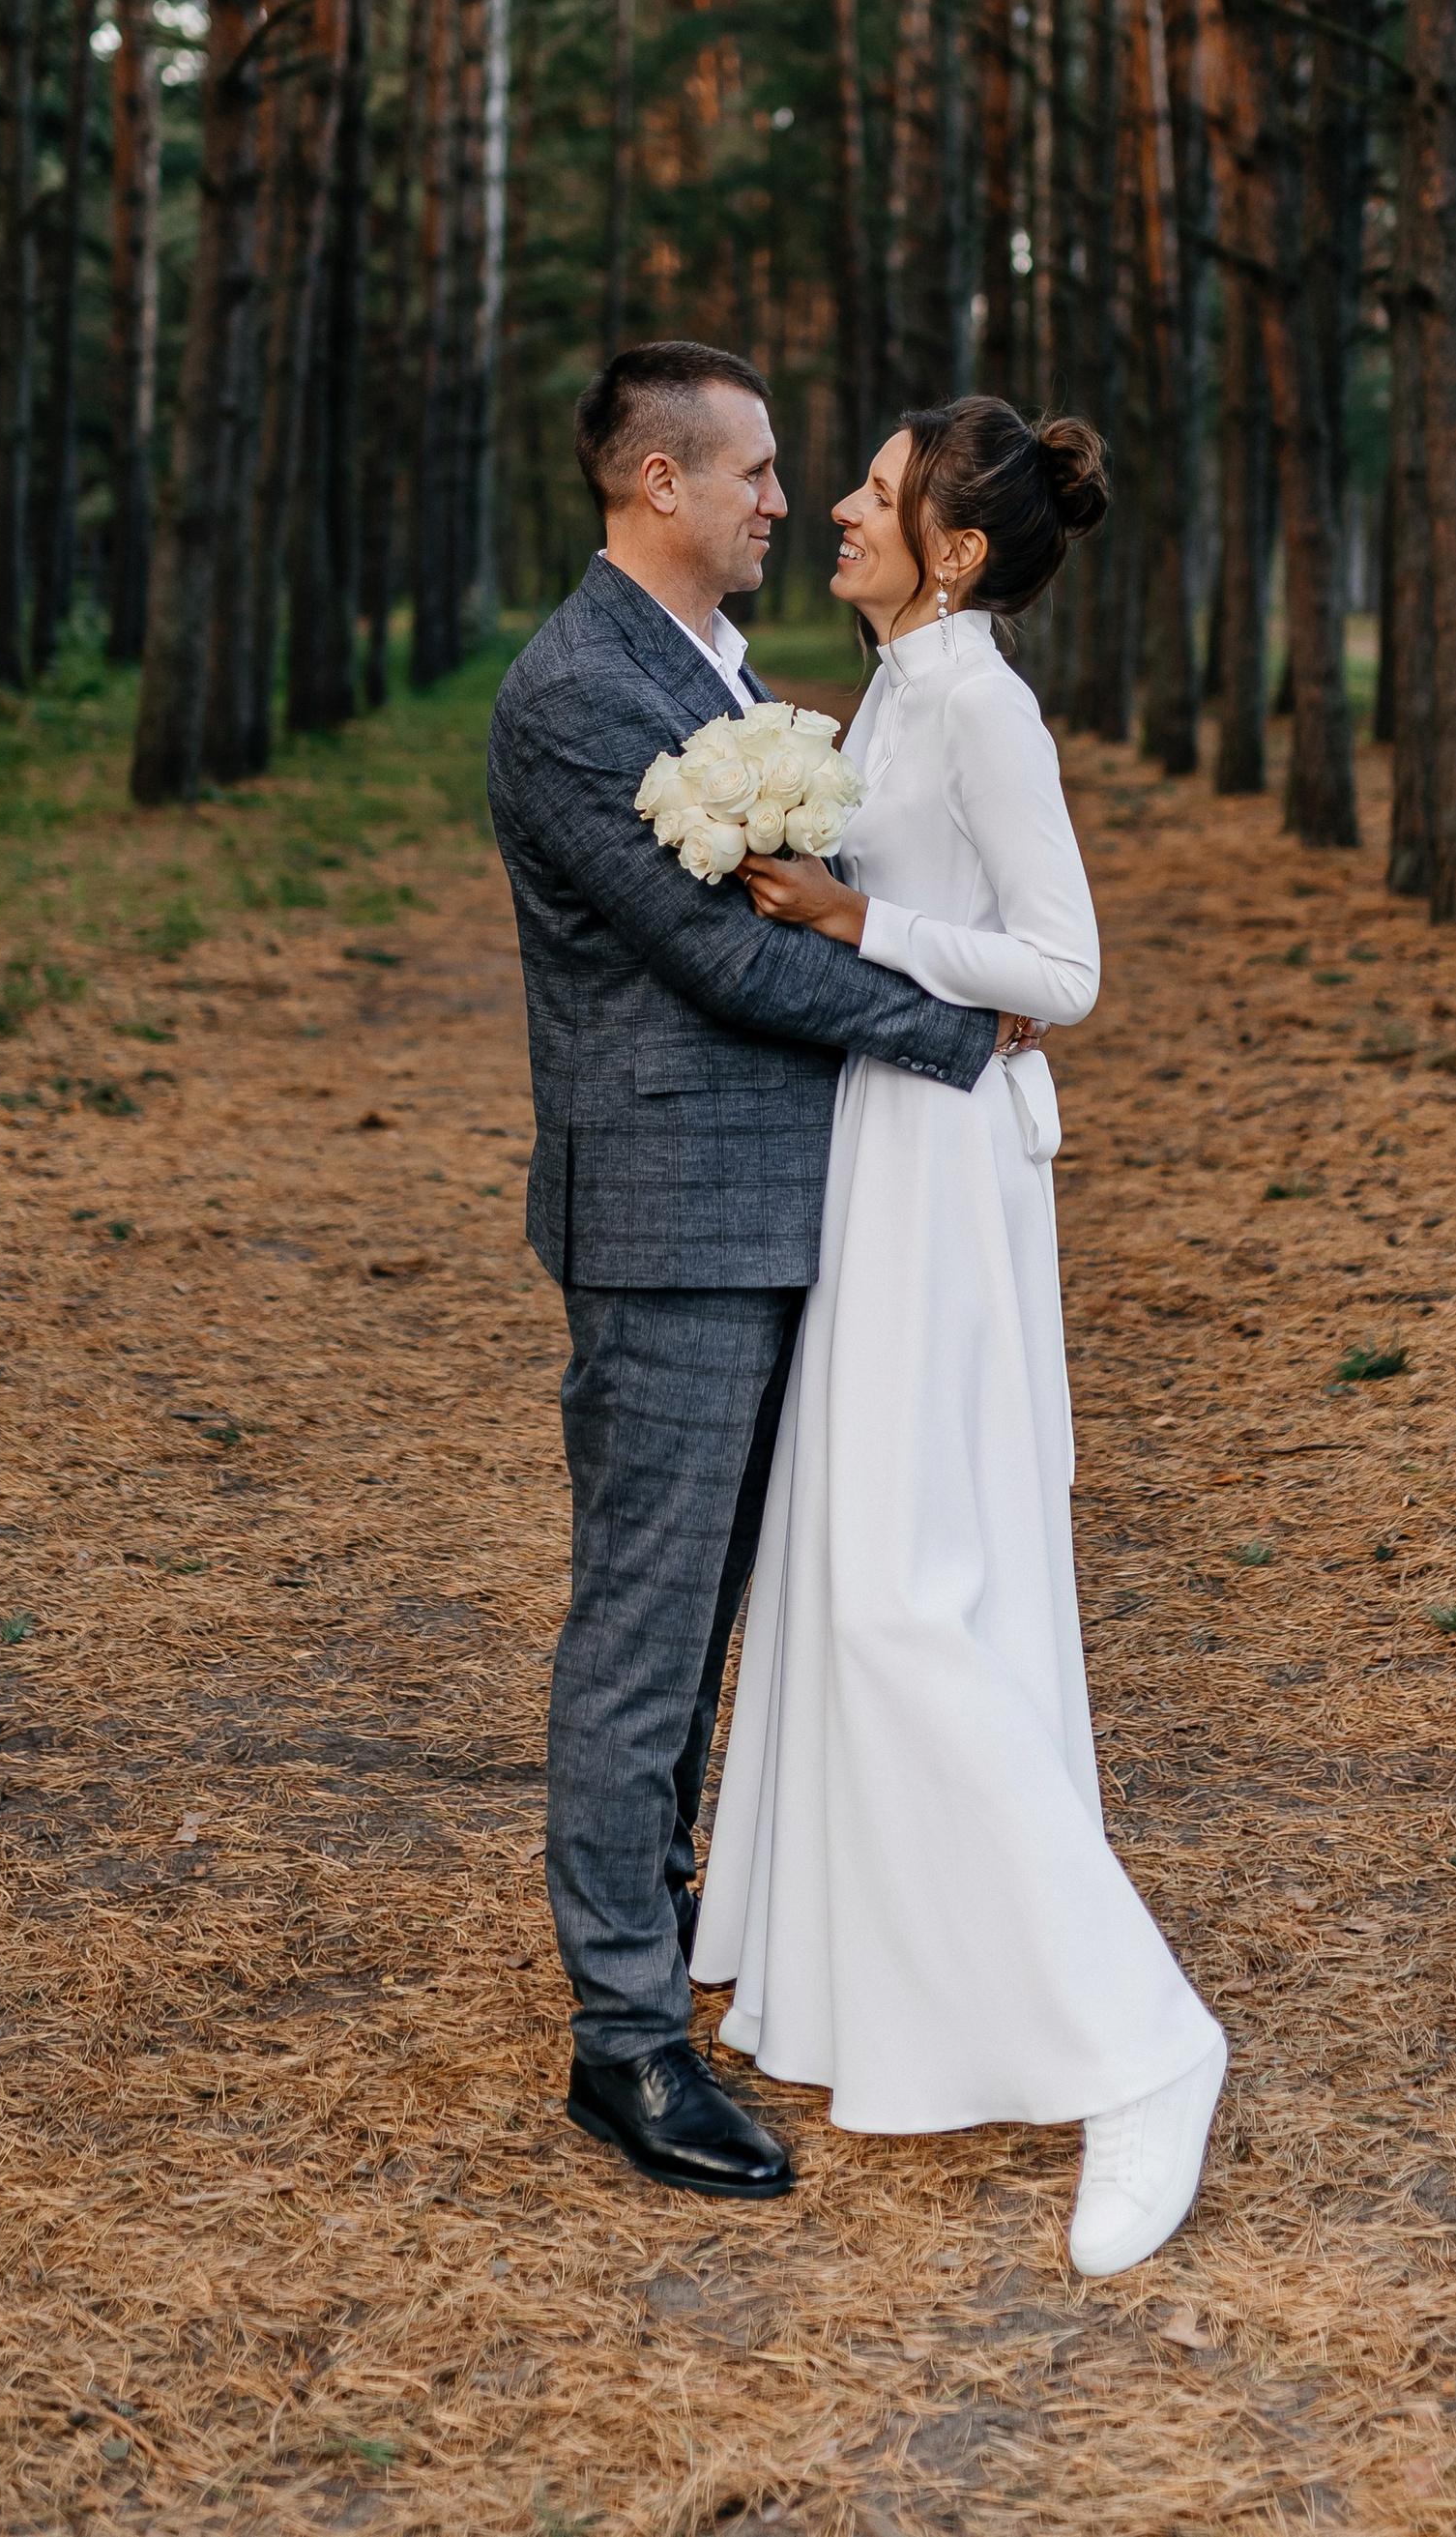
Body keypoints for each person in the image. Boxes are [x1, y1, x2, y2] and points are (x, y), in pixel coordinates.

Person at [692, 397, 1227, 2278]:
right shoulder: (896, 691)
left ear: (959, 549)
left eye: (876, 490)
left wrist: (863, 922)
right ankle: (887, 1979)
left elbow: (1064, 970)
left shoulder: (983, 707)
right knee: (856, 1569)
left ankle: (1143, 2040)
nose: (838, 505)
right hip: (876, 1143)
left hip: (942, 1166)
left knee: (897, 1599)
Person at [484, 343, 1012, 2206]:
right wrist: (962, 1024)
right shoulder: (576, 690)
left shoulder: (716, 667)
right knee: (645, 1633)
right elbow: (721, 954)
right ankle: (624, 2038)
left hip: (790, 1211)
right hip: (671, 1227)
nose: (787, 497)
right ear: (661, 483)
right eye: (758, 469)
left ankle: (680, 1931)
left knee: (728, 1625)